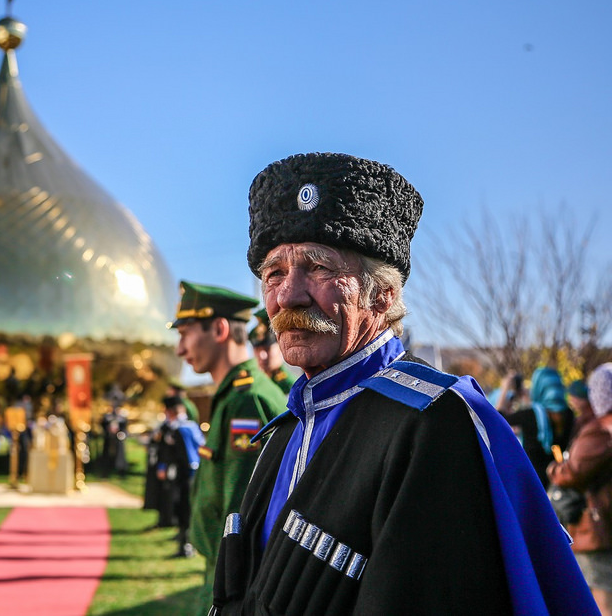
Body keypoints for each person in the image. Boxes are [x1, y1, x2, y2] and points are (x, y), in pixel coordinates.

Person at [210, 151, 596, 615]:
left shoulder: (433, 422)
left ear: (383, 294)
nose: (288, 295)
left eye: (318, 268)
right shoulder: (286, 429)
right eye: (274, 273)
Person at [170, 279, 288, 609]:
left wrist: (228, 594)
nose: (180, 350)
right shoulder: (233, 397)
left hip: (231, 579)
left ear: (220, 329)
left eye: (185, 334)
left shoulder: (246, 401)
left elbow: (242, 515)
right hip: (221, 571)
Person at [548, 363, 612, 616]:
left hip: (598, 526)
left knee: (601, 597)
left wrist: (555, 469)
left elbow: (574, 473)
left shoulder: (601, 430)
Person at [497, 366, 575, 486]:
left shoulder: (531, 415)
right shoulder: (569, 413)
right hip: (557, 480)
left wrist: (505, 388)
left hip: (534, 483)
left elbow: (497, 419)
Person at [156, 395, 205, 558]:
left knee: (183, 507)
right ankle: (186, 542)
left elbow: (183, 455)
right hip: (195, 471)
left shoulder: (178, 428)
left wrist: (165, 467)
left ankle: (186, 545)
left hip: (184, 473)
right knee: (187, 508)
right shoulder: (191, 425)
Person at [248, 308, 294, 395]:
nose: (262, 355)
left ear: (281, 347)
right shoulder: (254, 382)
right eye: (257, 350)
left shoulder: (290, 386)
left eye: (267, 349)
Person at [99, 397, 129, 478]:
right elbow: (103, 424)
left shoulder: (122, 417)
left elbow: (124, 427)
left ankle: (121, 471)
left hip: (118, 438)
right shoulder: (107, 416)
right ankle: (105, 471)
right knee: (106, 454)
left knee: (120, 454)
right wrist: (108, 430)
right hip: (109, 438)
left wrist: (121, 433)